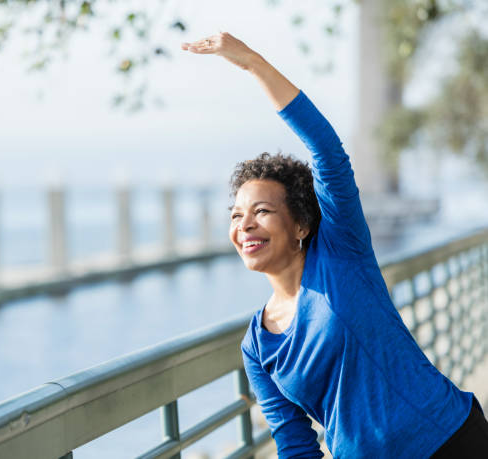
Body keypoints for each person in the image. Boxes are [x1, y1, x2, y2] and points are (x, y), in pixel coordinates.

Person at [181, 32, 488, 458]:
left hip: (447, 442)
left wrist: (252, 62)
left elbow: (326, 150)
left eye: (262, 212)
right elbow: (294, 443)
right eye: (236, 215)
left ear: (301, 224)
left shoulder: (341, 251)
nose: (244, 225)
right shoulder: (257, 345)